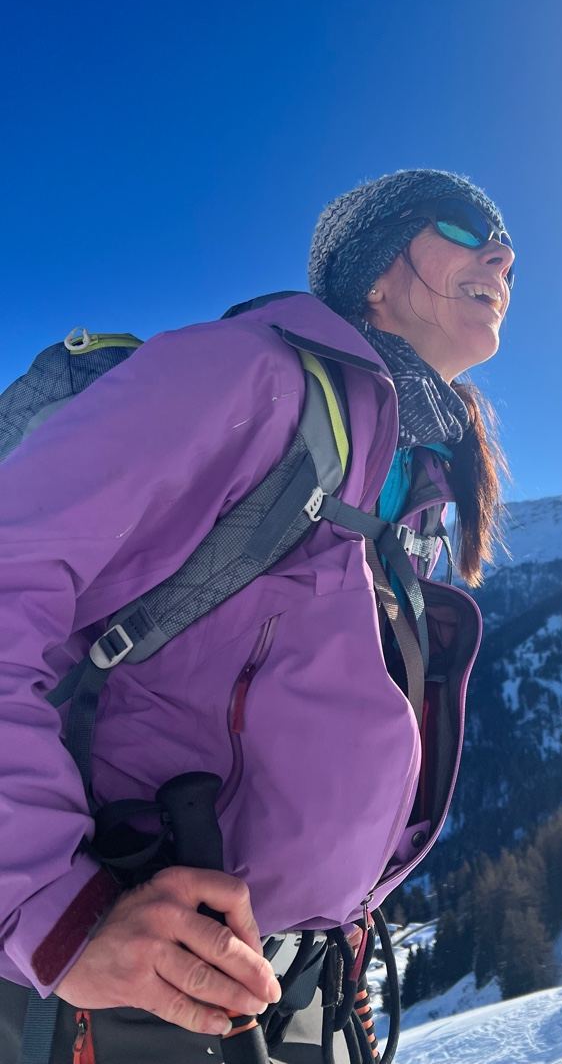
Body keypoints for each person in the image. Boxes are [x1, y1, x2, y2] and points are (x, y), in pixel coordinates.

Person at [0, 168, 513, 1062]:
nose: (502, 255)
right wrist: (51, 912)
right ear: (375, 272)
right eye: (468, 227)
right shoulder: (248, 377)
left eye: (509, 248)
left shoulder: (411, 477)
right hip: (131, 983)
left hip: (295, 986)